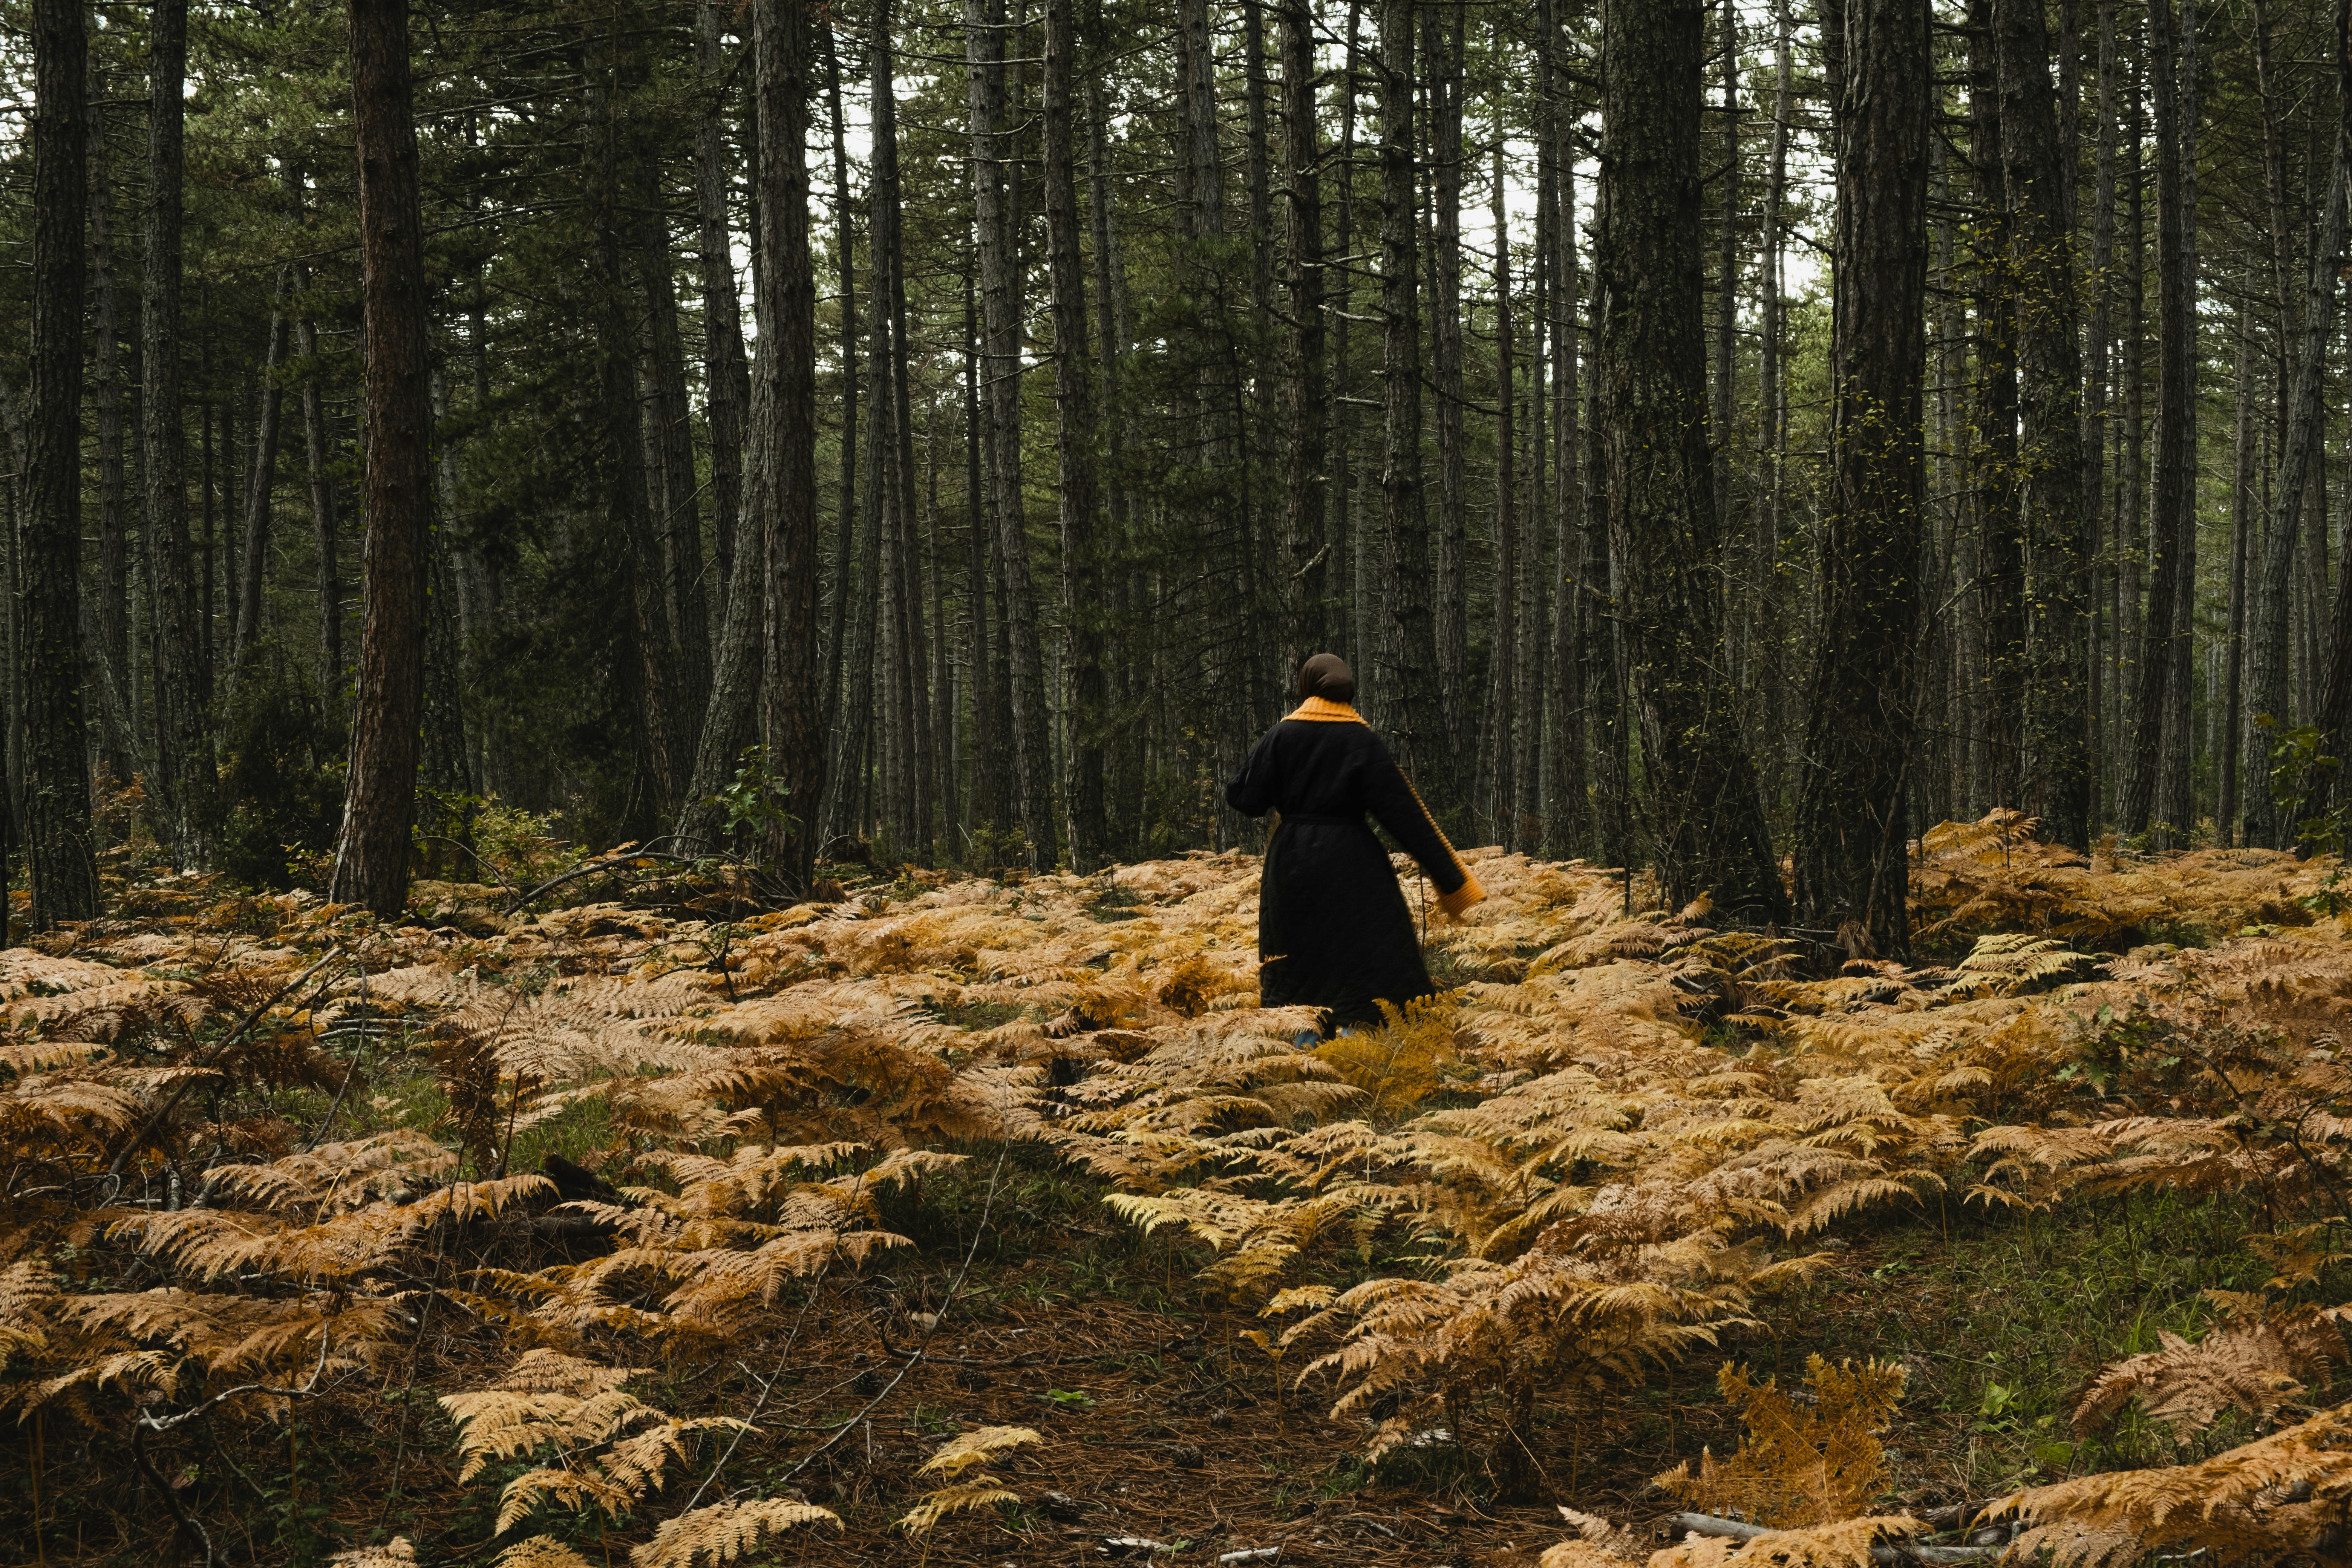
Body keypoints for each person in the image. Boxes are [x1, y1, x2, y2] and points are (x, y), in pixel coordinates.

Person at [1225, 653, 1485, 1037]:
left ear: (1307, 685)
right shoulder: (1361, 738)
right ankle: (1355, 1041)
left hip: (1292, 863)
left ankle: (1303, 1045)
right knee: (1361, 951)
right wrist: (1455, 882)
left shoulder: (1282, 734)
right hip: (1353, 862)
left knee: (1297, 952)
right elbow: (1406, 815)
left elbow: (1245, 799)